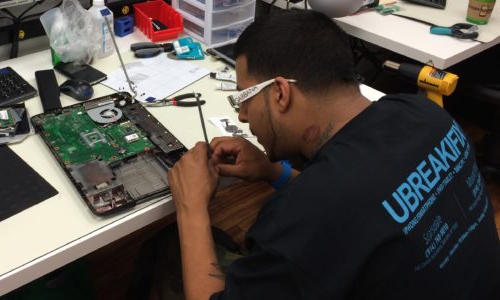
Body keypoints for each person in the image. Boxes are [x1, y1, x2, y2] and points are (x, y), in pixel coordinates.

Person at [166, 9, 500, 300]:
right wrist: (272, 172)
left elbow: (332, 213)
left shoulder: (303, 217)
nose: (242, 116)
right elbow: (368, 211)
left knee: (164, 258)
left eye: (244, 98)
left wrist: (190, 207)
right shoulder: (422, 112)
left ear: (280, 93)